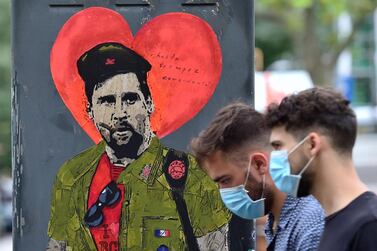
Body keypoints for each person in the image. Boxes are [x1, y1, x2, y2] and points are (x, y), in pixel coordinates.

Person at [47, 42, 232, 251]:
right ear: (90, 111)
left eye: (130, 99)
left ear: (149, 103)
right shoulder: (71, 177)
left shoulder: (191, 176)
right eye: (106, 101)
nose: (119, 113)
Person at [190, 102, 325, 251]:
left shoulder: (310, 225)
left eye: (225, 180)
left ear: (259, 164)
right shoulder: (276, 224)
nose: (223, 192)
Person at [265, 87, 377, 251]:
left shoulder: (368, 227)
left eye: (278, 146)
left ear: (312, 145)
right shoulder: (326, 226)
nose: (272, 159)